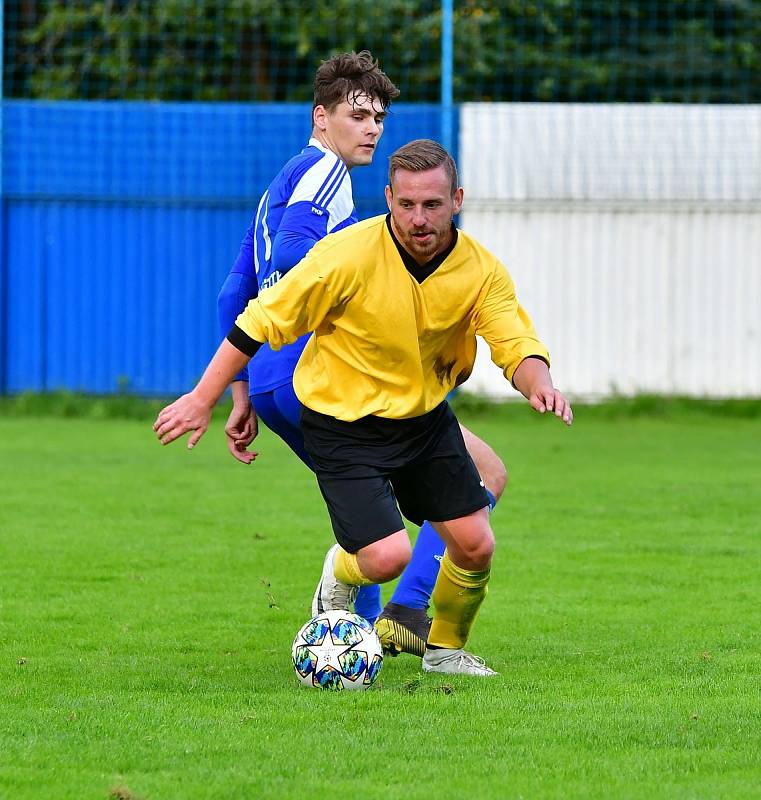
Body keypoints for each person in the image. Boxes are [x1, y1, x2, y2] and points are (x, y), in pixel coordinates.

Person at [154, 139, 573, 676]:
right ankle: (338, 571)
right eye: (407, 205)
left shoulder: (480, 270)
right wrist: (203, 396)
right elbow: (261, 318)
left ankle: (445, 651)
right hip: (341, 422)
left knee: (475, 543)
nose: (419, 219)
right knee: (386, 557)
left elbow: (512, 337)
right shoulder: (347, 255)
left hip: (422, 422)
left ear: (458, 199)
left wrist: (539, 381)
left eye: (433, 205)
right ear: (389, 199)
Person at [216, 51, 506, 657]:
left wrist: (240, 393)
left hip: (271, 379)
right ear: (321, 118)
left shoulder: (279, 183)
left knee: (370, 523)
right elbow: (299, 258)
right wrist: (345, 288)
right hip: (316, 366)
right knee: (483, 476)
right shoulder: (326, 172)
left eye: (379, 116)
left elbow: (232, 293)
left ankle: (356, 637)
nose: (372, 127)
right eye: (358, 114)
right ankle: (411, 605)